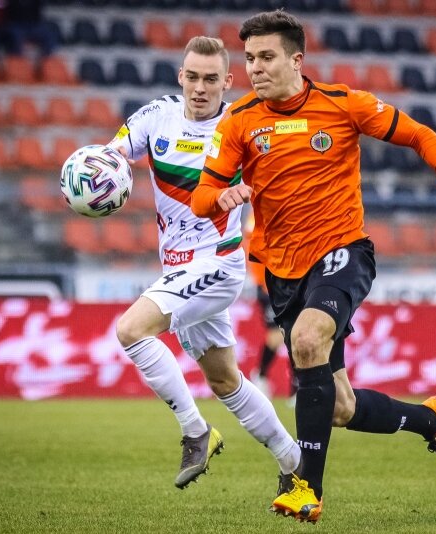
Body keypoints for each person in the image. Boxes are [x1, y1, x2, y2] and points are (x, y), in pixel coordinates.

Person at [191, 10, 436, 522]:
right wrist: (221, 197)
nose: (255, 67)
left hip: (343, 251)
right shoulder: (238, 120)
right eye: (250, 58)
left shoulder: (343, 104)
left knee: (307, 339)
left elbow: (420, 135)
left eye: (266, 56)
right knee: (340, 407)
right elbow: (201, 197)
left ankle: (306, 488)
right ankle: (430, 421)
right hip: (284, 272)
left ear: (296, 60)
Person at [109, 36, 300, 490]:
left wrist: (246, 193)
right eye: (192, 77)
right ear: (180, 76)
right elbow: (112, 154)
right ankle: (295, 463)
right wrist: (96, 173)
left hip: (219, 263)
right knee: (225, 381)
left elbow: (280, 183)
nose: (200, 87)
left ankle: (196, 431)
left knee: (131, 330)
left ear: (227, 81)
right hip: (176, 268)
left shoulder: (242, 126)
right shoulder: (157, 115)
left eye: (211, 79)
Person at [244, 210, 295, 401]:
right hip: (268, 286)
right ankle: (261, 374)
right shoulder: (257, 216)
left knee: (294, 333)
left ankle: (297, 387)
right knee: (277, 335)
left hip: (285, 283)